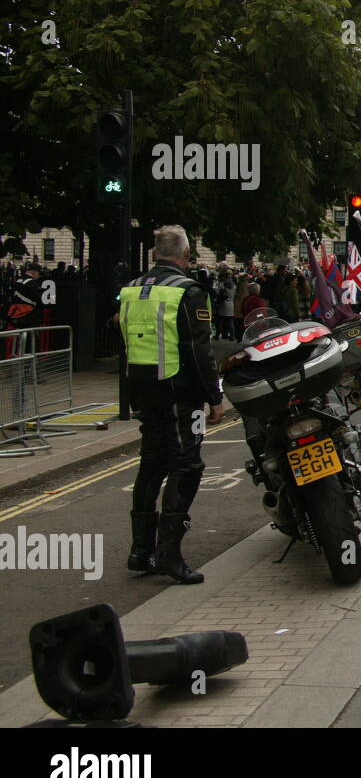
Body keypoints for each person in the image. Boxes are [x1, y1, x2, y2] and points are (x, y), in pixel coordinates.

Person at [118, 225, 223, 584]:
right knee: (187, 466)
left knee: (151, 464)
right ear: (185, 255)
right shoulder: (188, 291)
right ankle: (169, 555)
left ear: (153, 254)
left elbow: (126, 341)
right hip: (181, 392)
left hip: (144, 389)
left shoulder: (130, 290)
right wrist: (214, 396)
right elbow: (199, 349)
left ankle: (140, 551)